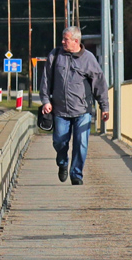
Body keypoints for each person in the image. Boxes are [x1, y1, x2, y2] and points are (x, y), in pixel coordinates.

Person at [39, 26, 109, 186]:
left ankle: (76, 174)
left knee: (81, 143)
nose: (62, 41)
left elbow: (99, 85)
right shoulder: (55, 55)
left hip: (82, 111)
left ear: (76, 41)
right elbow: (46, 80)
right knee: (59, 141)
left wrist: (104, 107)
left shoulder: (89, 59)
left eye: (66, 39)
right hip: (59, 110)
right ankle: (62, 162)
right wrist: (46, 101)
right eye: (63, 39)